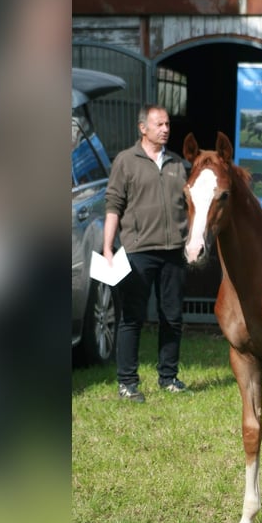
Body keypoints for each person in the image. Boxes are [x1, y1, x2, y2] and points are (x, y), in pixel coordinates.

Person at [103, 104, 189, 402]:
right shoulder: (126, 161)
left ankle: (168, 377)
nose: (165, 129)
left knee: (172, 318)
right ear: (143, 128)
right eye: (159, 124)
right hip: (138, 251)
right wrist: (107, 247)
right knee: (131, 317)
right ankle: (127, 382)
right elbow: (113, 205)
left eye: (167, 124)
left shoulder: (178, 164)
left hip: (173, 251)